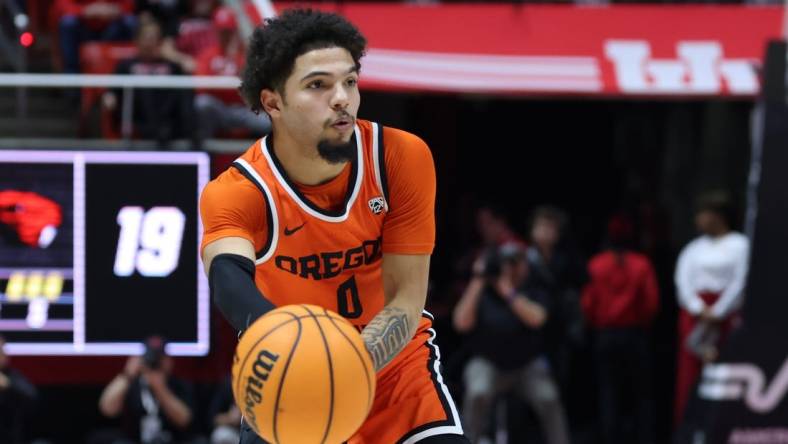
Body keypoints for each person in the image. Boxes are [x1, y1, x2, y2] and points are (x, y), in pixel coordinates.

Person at [199, 8, 467, 443]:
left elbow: (406, 298)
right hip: (293, 375)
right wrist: (295, 356)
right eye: (318, 85)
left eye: (350, 81)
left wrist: (342, 368)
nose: (342, 97)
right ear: (272, 102)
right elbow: (228, 279)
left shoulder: (400, 157)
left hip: (392, 369)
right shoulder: (238, 190)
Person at [453, 243, 569, 444]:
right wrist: (479, 279)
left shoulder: (534, 287)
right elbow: (461, 323)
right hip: (488, 362)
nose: (513, 268)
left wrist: (508, 292)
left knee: (548, 398)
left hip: (526, 365)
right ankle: (469, 441)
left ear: (526, 264)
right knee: (477, 392)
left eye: (517, 262)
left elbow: (537, 319)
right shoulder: (483, 291)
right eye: (507, 262)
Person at [581, 214, 659, 444]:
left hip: (606, 336)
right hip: (634, 335)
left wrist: (596, 324)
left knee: (609, 392)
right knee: (641, 394)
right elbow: (652, 304)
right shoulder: (641, 264)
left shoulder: (597, 264)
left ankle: (610, 438)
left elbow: (587, 304)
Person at [673, 192, 749, 423]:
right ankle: (689, 423)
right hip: (696, 317)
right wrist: (698, 308)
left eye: (704, 214)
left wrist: (719, 311)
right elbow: (682, 280)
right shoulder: (693, 248)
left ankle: (721, 423)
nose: (699, 220)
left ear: (718, 216)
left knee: (724, 371)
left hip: (725, 317)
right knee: (689, 374)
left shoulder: (740, 245)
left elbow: (741, 279)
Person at [104, 20, 195, 148]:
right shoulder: (126, 65)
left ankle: (185, 133)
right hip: (138, 117)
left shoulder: (171, 65)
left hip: (168, 119)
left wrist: (174, 57)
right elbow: (113, 90)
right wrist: (110, 96)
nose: (150, 42)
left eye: (154, 38)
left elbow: (189, 75)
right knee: (145, 87)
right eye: (146, 38)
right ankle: (156, 130)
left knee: (180, 86)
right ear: (137, 40)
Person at [193, 6, 271, 147]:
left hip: (243, 109)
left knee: (269, 121)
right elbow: (201, 88)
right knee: (202, 103)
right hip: (219, 108)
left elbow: (254, 84)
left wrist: (235, 57)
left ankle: (262, 154)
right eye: (222, 31)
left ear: (235, 31)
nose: (226, 35)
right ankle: (202, 148)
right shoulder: (208, 55)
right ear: (216, 31)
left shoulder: (246, 54)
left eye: (228, 31)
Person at [97, 336, 196, 444]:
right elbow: (107, 409)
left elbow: (184, 420)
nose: (154, 363)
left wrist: (160, 388)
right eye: (151, 357)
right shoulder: (131, 384)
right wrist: (128, 374)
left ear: (168, 360)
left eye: (159, 358)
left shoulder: (179, 385)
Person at [0, 335, 38, 444]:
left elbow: (32, 397)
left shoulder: (11, 376)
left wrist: (8, 385)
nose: (4, 355)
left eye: (3, 351)